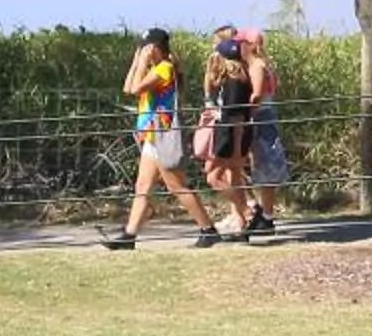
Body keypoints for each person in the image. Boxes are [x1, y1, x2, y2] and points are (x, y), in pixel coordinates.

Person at [104, 28, 219, 250]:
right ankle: (129, 236)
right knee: (143, 186)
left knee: (177, 186)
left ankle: (208, 229)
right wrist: (138, 61)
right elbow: (127, 87)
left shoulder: (165, 69)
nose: (144, 50)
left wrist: (142, 62)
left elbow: (137, 89)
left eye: (147, 47)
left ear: (156, 47)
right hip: (152, 135)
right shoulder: (154, 68)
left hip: (162, 134)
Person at [198, 34, 260, 239]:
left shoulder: (233, 83)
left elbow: (235, 115)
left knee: (213, 176)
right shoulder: (241, 78)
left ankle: (246, 209)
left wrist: (233, 144)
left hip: (230, 133)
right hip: (237, 132)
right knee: (233, 176)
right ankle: (242, 225)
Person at [233, 25, 288, 237]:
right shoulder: (265, 65)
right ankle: (263, 213)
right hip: (267, 116)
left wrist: (243, 112)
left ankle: (266, 215)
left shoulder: (256, 66)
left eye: (241, 44)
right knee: (262, 166)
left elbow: (256, 95)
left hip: (261, 118)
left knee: (264, 165)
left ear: (249, 45)